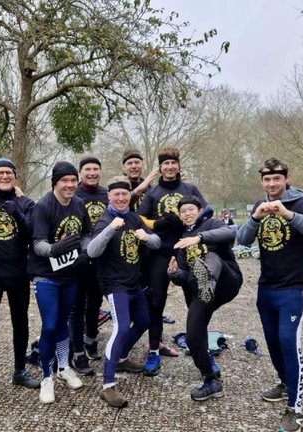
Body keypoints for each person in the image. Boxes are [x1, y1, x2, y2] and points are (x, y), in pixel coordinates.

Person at [236, 158, 303, 432]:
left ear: (287, 178)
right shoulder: (259, 205)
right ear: (261, 181)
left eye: (277, 178)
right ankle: (285, 383)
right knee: (273, 342)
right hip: (267, 287)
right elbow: (242, 239)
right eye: (267, 179)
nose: (272, 183)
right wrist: (256, 217)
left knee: (289, 341)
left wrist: (288, 214)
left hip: (293, 287)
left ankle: (296, 411)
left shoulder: (301, 203)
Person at [86, 176, 161, 407]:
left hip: (133, 283)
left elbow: (157, 242)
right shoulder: (104, 220)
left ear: (130, 196)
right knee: (120, 328)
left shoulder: (134, 218)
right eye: (116, 194)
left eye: (124, 194)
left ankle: (121, 357)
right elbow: (91, 251)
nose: (120, 198)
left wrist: (147, 238)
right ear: (109, 196)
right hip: (113, 284)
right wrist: (109, 229)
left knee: (143, 320)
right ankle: (108, 386)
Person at [137, 146, 207, 376]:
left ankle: (202, 352)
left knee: (195, 303)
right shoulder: (153, 193)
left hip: (187, 251)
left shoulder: (190, 188)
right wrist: (159, 224)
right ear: (160, 167)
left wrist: (189, 220)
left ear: (179, 165)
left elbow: (207, 212)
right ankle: (154, 351)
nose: (170, 167)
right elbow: (140, 218)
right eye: (165, 163)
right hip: (159, 254)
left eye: (173, 162)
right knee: (155, 304)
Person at [0, 158, 39, 403]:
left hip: (18, 272)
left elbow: (33, 233)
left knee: (20, 323)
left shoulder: (25, 201)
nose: (4, 176)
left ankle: (19, 371)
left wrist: (20, 215)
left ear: (15, 176)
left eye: (8, 172)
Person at [28, 161, 92, 404]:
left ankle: (64, 367)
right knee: (50, 325)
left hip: (70, 274)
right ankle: (47, 377)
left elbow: (86, 233)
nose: (69, 185)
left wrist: (85, 251)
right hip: (46, 275)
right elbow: (38, 244)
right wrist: (56, 249)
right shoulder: (43, 206)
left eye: (73, 181)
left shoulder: (78, 203)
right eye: (64, 181)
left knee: (64, 322)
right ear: (55, 182)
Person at [167, 195, 242, 401]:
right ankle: (211, 379)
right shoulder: (181, 240)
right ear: (180, 216)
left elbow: (228, 234)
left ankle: (208, 276)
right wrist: (173, 273)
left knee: (212, 256)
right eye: (183, 211)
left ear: (199, 211)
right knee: (193, 336)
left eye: (191, 209)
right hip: (202, 291)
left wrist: (200, 238)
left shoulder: (212, 223)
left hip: (227, 281)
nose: (187, 213)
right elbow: (183, 278)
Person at [68, 155, 108, 376]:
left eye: (95, 169)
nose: (92, 173)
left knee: (95, 301)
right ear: (80, 173)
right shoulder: (73, 193)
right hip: (78, 258)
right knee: (76, 305)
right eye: (87, 169)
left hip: (102, 259)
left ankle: (90, 340)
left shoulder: (106, 194)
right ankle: (77, 351)